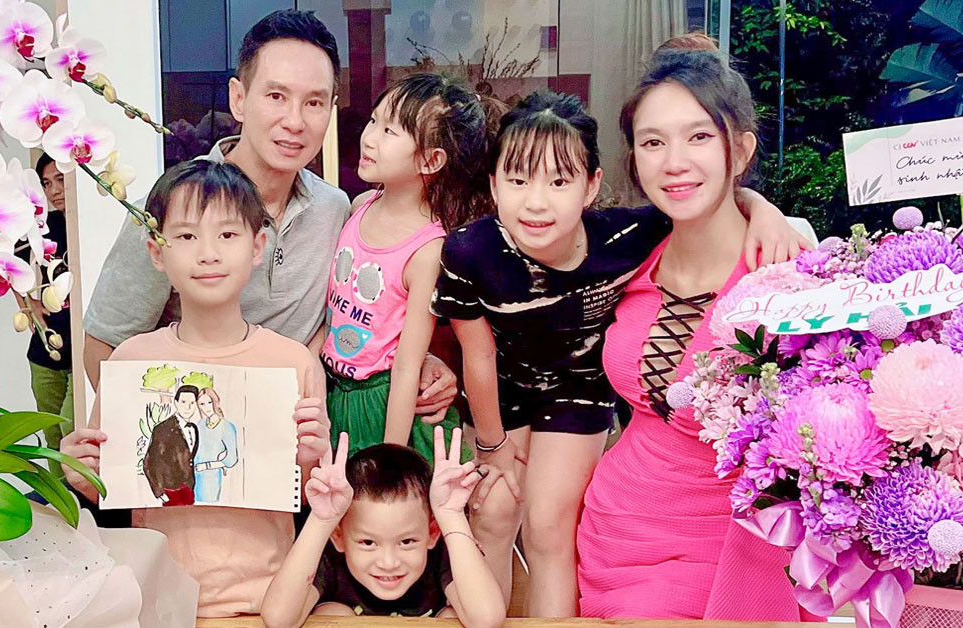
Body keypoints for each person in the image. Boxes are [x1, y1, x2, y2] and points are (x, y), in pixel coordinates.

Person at [431, 89, 809, 616]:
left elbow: (708, 199)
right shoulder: (470, 251)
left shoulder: (629, 234)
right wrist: (493, 446)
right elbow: (479, 356)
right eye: (517, 181)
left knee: (545, 524)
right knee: (492, 510)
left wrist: (763, 208)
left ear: (592, 185)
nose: (536, 202)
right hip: (503, 388)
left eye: (559, 182)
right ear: (493, 183)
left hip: (578, 388)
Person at [82, 9, 456, 417]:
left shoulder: (336, 210)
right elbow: (104, 347)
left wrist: (419, 360)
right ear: (238, 99)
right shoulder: (171, 212)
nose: (294, 121)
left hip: (304, 438)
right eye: (276, 96)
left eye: (314, 102)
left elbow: (355, 317)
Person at [576, 42, 807, 619]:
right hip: (613, 532)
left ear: (740, 149)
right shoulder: (626, 254)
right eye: (653, 142)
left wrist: (765, 209)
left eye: (699, 136)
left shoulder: (789, 273)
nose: (674, 162)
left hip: (732, 545)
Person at [61, 160, 332, 617]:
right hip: (158, 603)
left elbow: (308, 496)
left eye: (227, 235)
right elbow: (110, 488)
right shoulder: (130, 361)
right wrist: (81, 472)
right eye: (186, 236)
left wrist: (309, 460)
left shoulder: (293, 364)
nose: (208, 253)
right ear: (156, 252)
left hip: (268, 602)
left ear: (257, 246)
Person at [322, 73, 498, 465]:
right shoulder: (359, 206)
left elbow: (406, 366)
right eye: (373, 121)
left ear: (431, 160)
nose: (369, 138)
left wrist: (392, 459)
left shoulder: (428, 249)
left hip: (383, 403)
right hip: (335, 392)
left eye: (389, 131)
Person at [260, 428, 505, 628]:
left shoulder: (442, 553)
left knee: (452, 617)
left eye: (407, 542)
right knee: (332, 613)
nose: (389, 563)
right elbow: (279, 619)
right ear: (339, 537)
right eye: (368, 543)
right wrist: (321, 521)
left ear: (432, 533)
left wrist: (451, 515)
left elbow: (486, 619)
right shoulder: (331, 558)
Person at [15, 153, 74, 477]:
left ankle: (84, 499)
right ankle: (61, 499)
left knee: (71, 428)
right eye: (47, 184)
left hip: (84, 346)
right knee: (52, 435)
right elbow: (8, 261)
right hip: (45, 349)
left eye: (60, 180)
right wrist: (27, 303)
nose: (54, 190)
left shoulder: (94, 226)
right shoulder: (44, 227)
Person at [144, 384, 200, 506]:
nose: (188, 407)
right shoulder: (163, 429)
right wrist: (159, 491)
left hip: (189, 487)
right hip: (171, 490)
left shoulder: (194, 428)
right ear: (176, 403)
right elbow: (150, 462)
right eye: (184, 402)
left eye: (192, 403)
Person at [193, 386, 239, 503]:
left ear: (215, 402)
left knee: (208, 507)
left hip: (211, 477)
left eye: (209, 402)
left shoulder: (226, 427)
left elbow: (232, 458)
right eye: (202, 404)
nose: (206, 407)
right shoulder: (200, 425)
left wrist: (207, 466)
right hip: (194, 475)